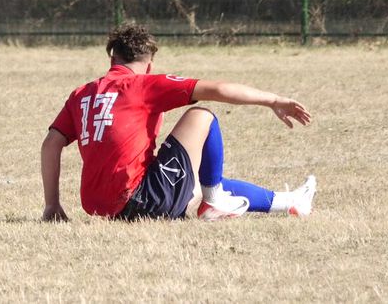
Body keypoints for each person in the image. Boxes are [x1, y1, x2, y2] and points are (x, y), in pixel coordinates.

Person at [41, 23, 316, 222]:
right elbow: (218, 89)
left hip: (99, 206)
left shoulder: (82, 94)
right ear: (149, 65)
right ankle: (214, 203)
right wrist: (273, 100)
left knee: (202, 182)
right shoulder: (142, 84)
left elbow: (51, 144)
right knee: (202, 116)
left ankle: (290, 202)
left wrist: (52, 204)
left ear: (112, 58)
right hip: (142, 200)